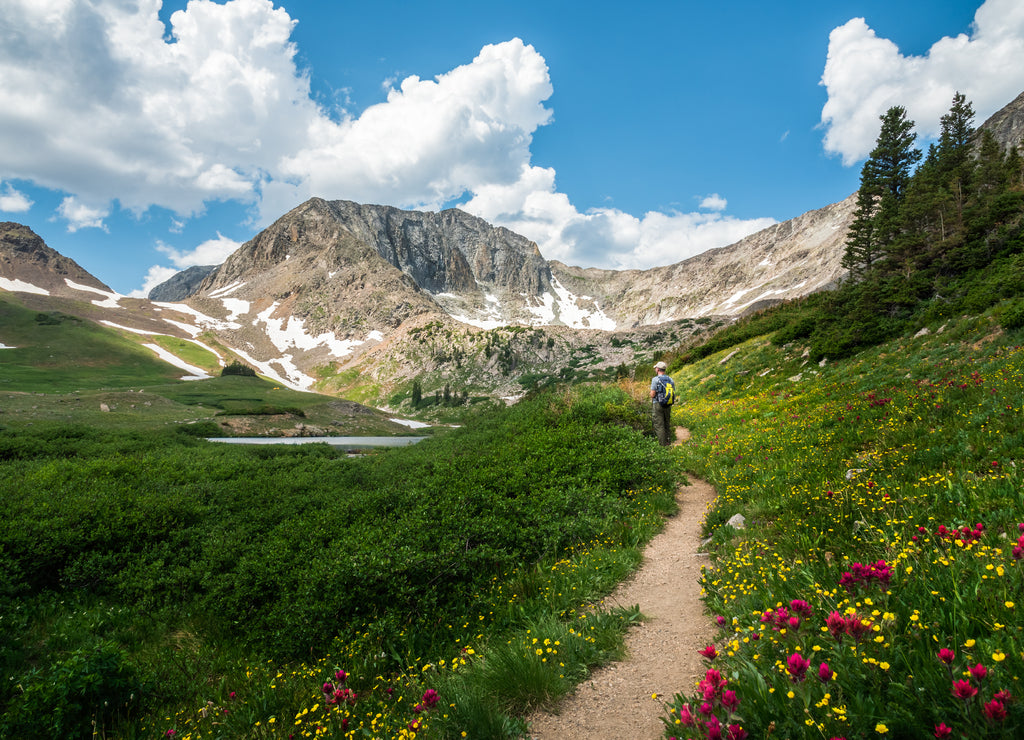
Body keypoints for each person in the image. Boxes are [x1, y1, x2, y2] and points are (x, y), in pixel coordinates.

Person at [650, 361, 674, 446]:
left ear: (657, 369)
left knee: (659, 425)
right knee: (666, 424)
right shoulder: (670, 379)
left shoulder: (655, 379)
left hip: (658, 404)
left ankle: (662, 447)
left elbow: (653, 394)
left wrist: (651, 395)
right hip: (668, 404)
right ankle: (668, 443)